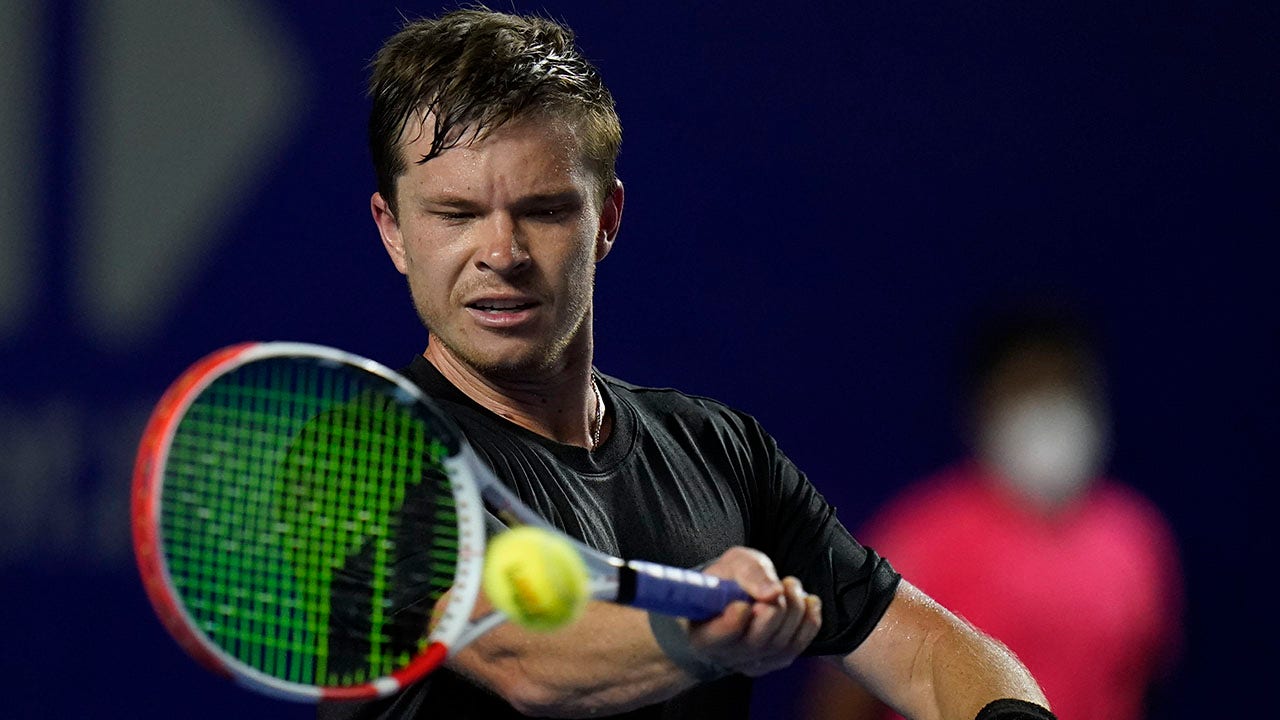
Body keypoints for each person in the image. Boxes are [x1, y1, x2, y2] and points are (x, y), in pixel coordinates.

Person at [319, 9, 1056, 720]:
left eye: (544, 211)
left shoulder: (723, 454)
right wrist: (692, 631)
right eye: (456, 214)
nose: (502, 253)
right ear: (394, 230)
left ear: (606, 219)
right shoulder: (366, 457)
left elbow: (926, 653)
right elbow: (525, 660)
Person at [801, 301, 1184, 720]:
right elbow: (842, 700)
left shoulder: (1135, 537)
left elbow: (1139, 680)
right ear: (983, 403)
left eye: (1064, 386)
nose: (1048, 410)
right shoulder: (918, 538)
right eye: (1027, 388)